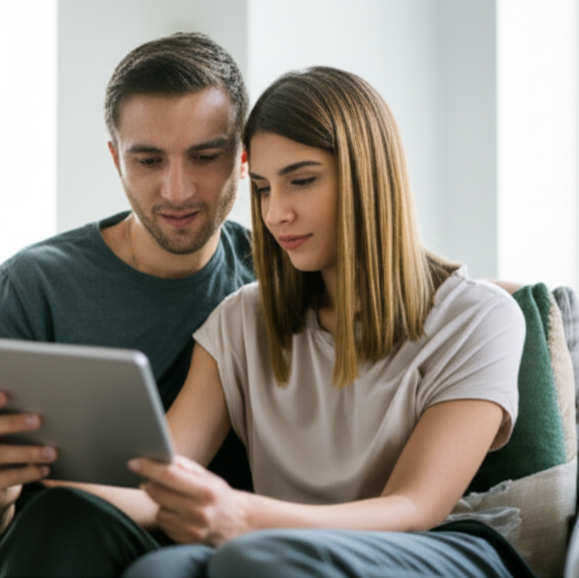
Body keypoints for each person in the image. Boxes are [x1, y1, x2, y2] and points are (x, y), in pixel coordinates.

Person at [0, 33, 579, 577]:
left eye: (214, 160)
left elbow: (434, 288)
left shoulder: (258, 275)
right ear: (116, 160)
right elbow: (84, 480)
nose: (182, 190)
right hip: (6, 538)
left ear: (238, 158)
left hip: (115, 533)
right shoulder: (58, 281)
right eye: (149, 159)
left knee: (82, 522)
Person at [121, 65, 533, 577]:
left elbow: (414, 508)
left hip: (434, 549)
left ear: (368, 176)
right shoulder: (240, 320)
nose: (276, 215)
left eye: (302, 181)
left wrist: (246, 517)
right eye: (265, 189)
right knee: (156, 572)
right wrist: (44, 477)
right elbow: (159, 476)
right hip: (271, 547)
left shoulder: (479, 319)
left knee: (253, 557)